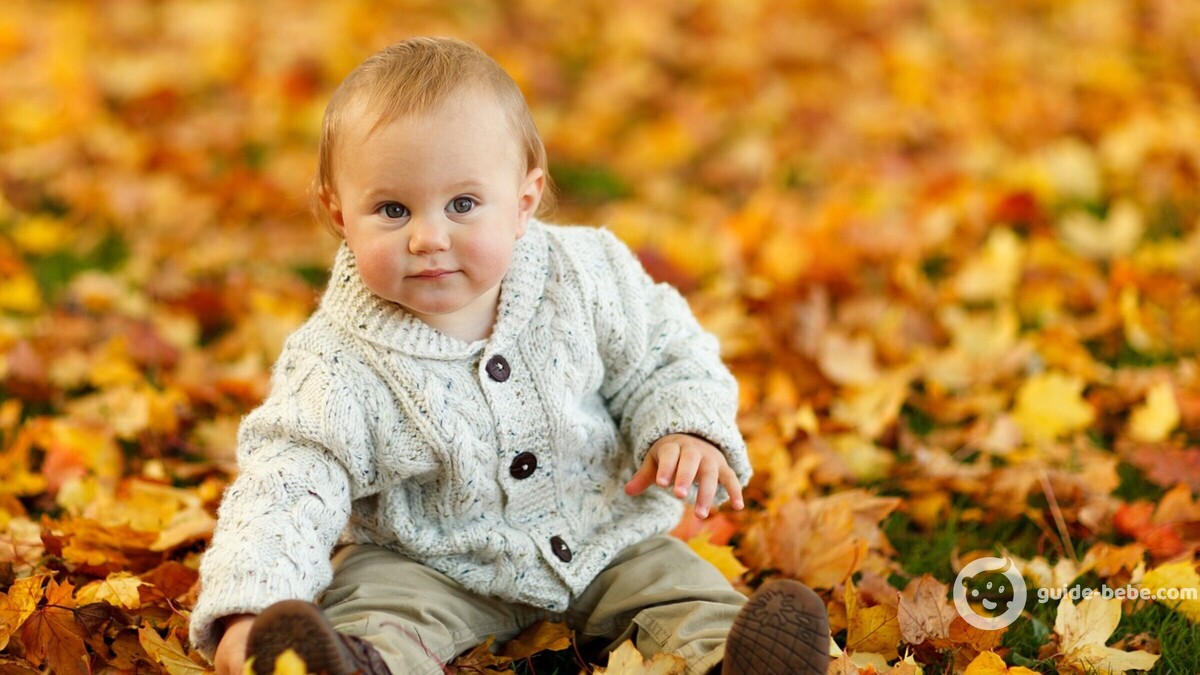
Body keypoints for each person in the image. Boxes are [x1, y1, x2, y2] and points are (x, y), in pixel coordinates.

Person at [188, 36, 830, 675]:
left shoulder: (585, 274)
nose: (428, 237)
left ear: (523, 202)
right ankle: (347, 668)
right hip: (429, 563)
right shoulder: (335, 361)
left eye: (463, 204)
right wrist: (248, 612)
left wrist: (684, 426)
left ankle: (736, 662)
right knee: (376, 614)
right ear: (338, 213)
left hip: (601, 537)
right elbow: (288, 484)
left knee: (681, 594)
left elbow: (667, 353)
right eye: (391, 209)